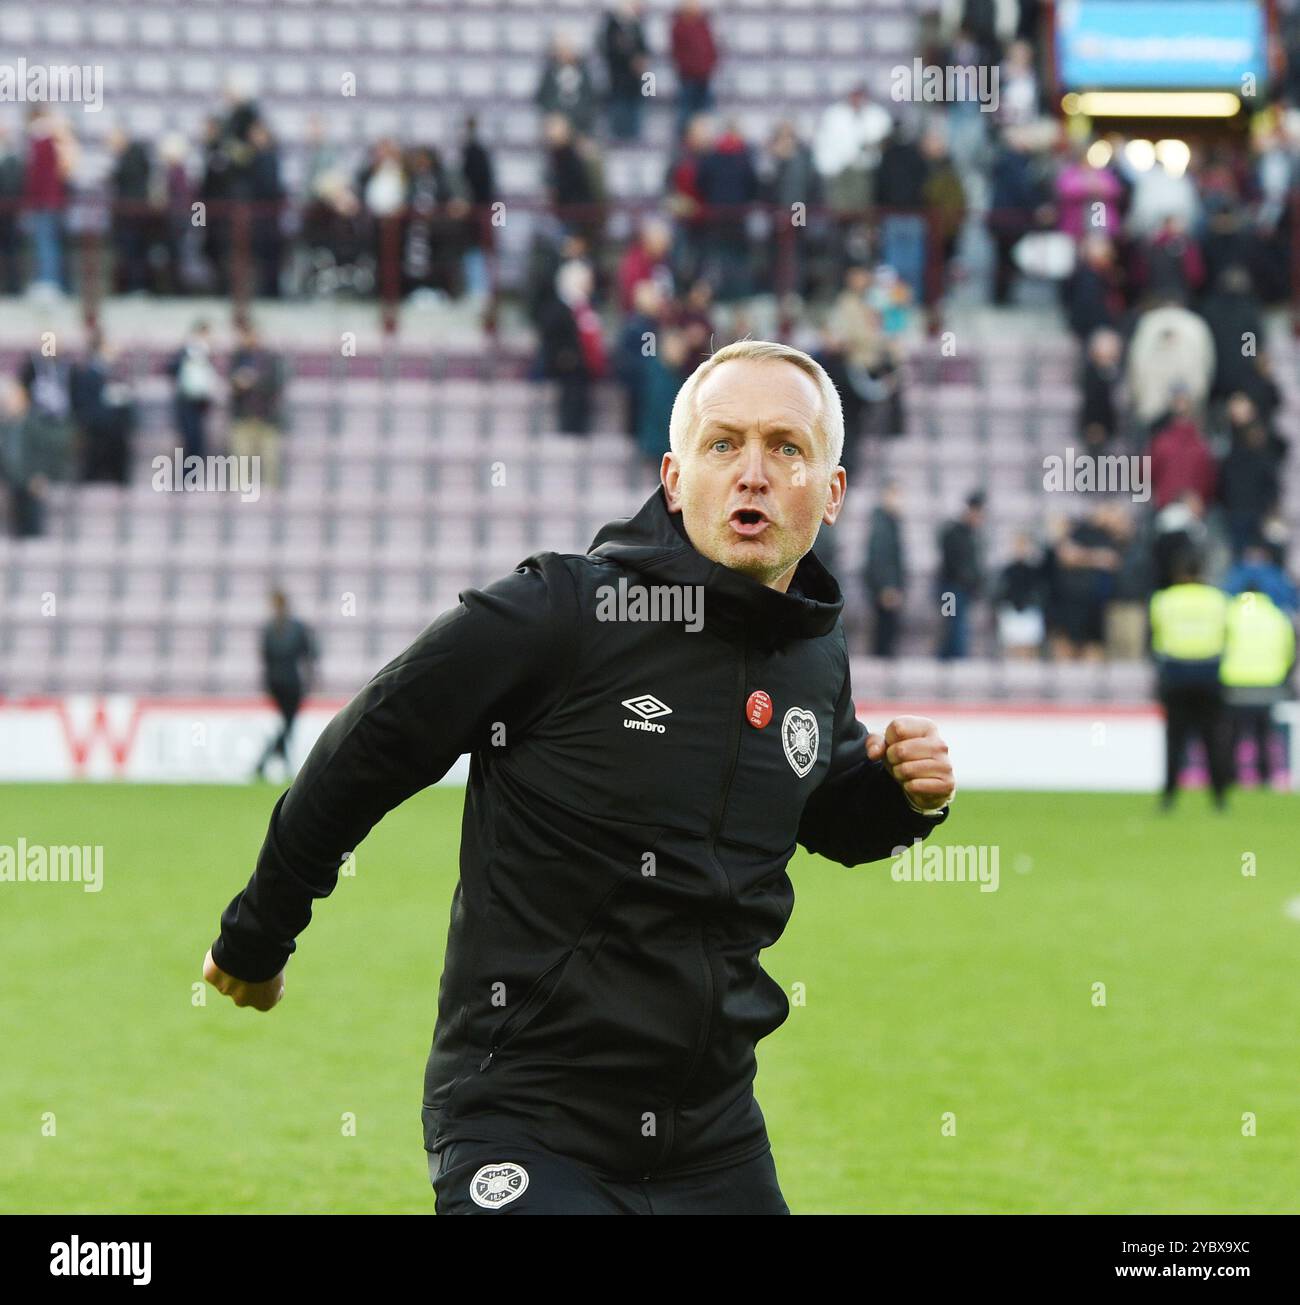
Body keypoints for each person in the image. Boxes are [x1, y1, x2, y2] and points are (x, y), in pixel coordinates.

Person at [204, 339, 956, 1216]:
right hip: (526, 1118)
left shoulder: (813, 650)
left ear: (830, 491)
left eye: (786, 448)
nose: (752, 473)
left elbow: (817, 807)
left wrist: (899, 798)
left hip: (710, 1134)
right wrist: (259, 935)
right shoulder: (561, 612)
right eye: (724, 445)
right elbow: (369, 746)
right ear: (675, 478)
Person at [1149, 551, 1231, 810]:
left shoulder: (1164, 600)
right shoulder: (1218, 600)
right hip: (1208, 673)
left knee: (1175, 740)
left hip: (1176, 674)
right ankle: (1219, 798)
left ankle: (1169, 797)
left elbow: (1155, 636)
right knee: (1213, 739)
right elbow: (1227, 634)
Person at [1219, 586, 1295, 788]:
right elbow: (1289, 651)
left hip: (1235, 682)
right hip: (1268, 682)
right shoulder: (1277, 616)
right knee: (1264, 734)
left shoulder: (1230, 614)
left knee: (1233, 733)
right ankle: (1265, 777)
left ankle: (1229, 776)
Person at [253, 590, 317, 782]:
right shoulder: (281, 628)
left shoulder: (280, 628)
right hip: (282, 683)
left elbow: (308, 655)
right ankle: (269, 762)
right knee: (288, 725)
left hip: (288, 683)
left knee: (287, 725)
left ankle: (269, 762)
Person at [228, 323, 285, 488]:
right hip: (244, 417)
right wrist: (238, 383)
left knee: (270, 459)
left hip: (266, 417)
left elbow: (275, 383)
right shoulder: (238, 357)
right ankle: (240, 493)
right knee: (240, 459)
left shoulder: (270, 358)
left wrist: (253, 381)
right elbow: (231, 385)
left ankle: (271, 493)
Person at [935, 491, 986, 660]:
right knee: (953, 625)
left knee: (957, 625)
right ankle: (953, 660)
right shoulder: (953, 532)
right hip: (950, 589)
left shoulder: (972, 535)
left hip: (962, 590)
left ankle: (950, 659)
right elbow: (952, 564)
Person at [865, 480, 906, 657]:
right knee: (884, 631)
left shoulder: (890, 522)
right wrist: (886, 586)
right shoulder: (882, 524)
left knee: (887, 629)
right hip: (884, 586)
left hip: (889, 584)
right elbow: (880, 557)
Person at [168, 320, 218, 460]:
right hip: (186, 400)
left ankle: (194, 475)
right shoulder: (185, 351)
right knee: (189, 438)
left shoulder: (207, 354)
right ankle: (186, 475)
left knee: (198, 440)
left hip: (201, 401)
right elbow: (171, 368)